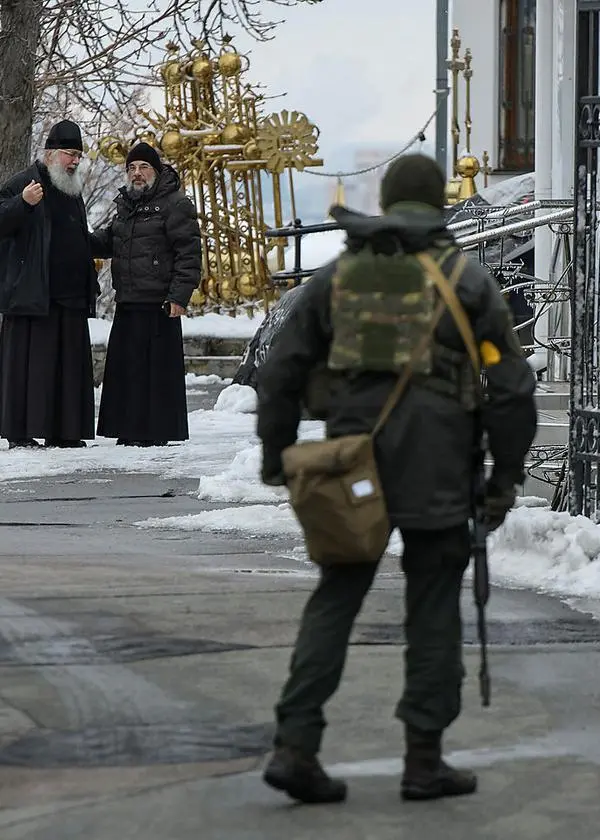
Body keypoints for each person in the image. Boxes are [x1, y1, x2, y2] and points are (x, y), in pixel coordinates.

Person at [256, 154, 538, 805]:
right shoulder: (467, 279)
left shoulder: (337, 277)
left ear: (386, 203)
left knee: (337, 594)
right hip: (440, 466)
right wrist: (505, 476)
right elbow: (512, 388)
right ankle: (423, 760)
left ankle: (295, 744)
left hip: (352, 465)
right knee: (434, 602)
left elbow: (279, 372)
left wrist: (277, 457)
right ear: (438, 205)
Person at [90, 142, 201, 447]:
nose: (137, 174)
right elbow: (110, 240)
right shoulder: (126, 205)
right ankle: (129, 430)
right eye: (131, 168)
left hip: (160, 303)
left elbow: (189, 254)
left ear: (156, 170)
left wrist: (179, 297)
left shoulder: (175, 203)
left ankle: (156, 432)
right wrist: (77, 240)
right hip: (128, 300)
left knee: (155, 373)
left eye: (143, 167)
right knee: (129, 371)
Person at [0, 119, 98, 450]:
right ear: (51, 153)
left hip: (69, 296)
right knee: (32, 369)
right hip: (33, 295)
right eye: (70, 154)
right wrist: (22, 204)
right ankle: (21, 433)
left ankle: (65, 432)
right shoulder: (23, 183)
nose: (74, 162)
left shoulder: (71, 189)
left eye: (78, 156)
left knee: (67, 369)